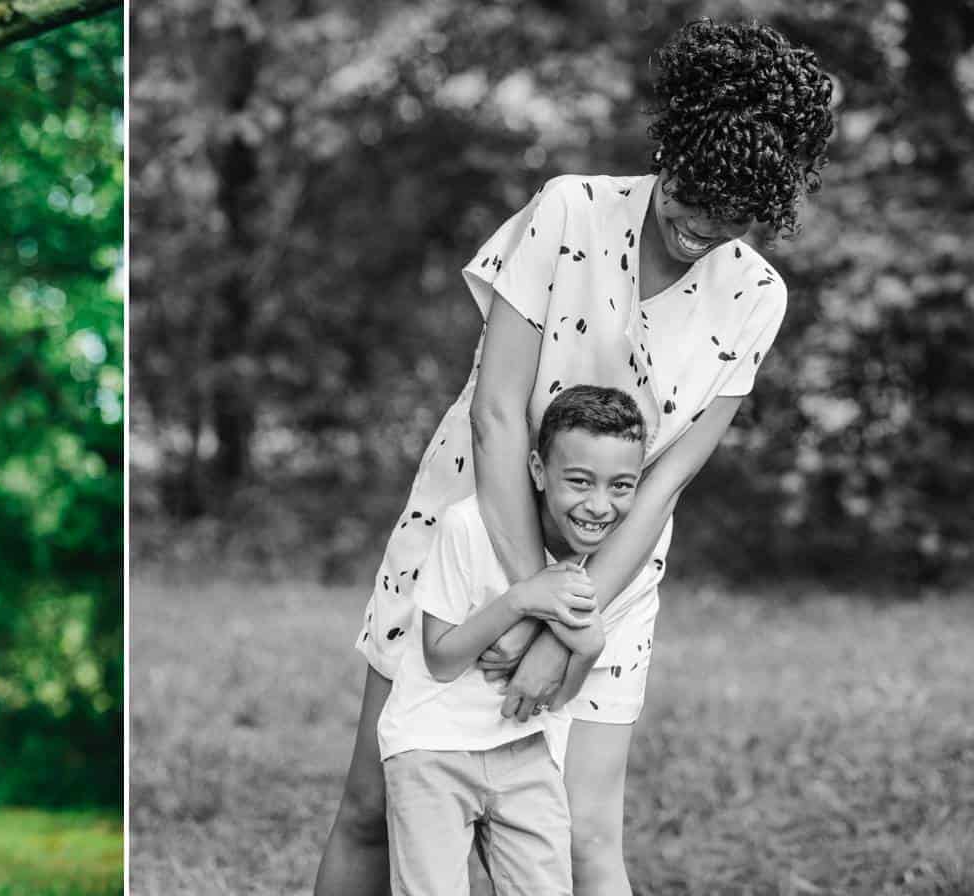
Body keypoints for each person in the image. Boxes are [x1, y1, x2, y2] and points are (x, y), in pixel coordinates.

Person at [316, 19, 834, 896]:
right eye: (691, 194)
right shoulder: (569, 211)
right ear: (670, 147)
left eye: (735, 216)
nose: (702, 227)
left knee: (585, 833)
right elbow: (495, 418)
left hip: (611, 585)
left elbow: (666, 479)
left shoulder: (757, 297)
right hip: (467, 542)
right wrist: (527, 604)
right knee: (377, 802)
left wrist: (572, 626)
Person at [380, 385, 648, 894]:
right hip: (431, 749)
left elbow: (554, 698)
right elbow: (439, 658)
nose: (599, 505)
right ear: (538, 470)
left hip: (525, 752)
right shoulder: (469, 526)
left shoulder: (604, 560)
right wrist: (521, 600)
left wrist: (588, 647)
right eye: (579, 481)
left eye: (621, 486)